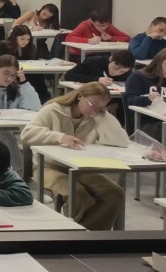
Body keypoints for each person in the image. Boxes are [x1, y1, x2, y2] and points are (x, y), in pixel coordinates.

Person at [20, 82, 131, 230]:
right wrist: (59, 137)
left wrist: (103, 115)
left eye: (101, 107)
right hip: (47, 167)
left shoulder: (96, 117)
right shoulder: (53, 110)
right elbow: (27, 133)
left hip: (80, 167)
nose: (95, 109)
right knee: (78, 195)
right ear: (79, 96)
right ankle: (75, 237)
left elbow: (121, 141)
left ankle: (89, 235)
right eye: (93, 104)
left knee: (114, 193)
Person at [124, 48, 166, 137]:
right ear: (158, 62)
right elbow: (129, 101)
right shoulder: (138, 77)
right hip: (148, 125)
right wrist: (148, 99)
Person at [64, 9, 130, 47]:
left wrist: (111, 38)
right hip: (83, 54)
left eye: (104, 25)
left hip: (101, 52)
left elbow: (127, 38)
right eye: (99, 25)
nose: (102, 28)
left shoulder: (108, 26)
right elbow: (68, 38)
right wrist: (88, 41)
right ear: (92, 22)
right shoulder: (84, 25)